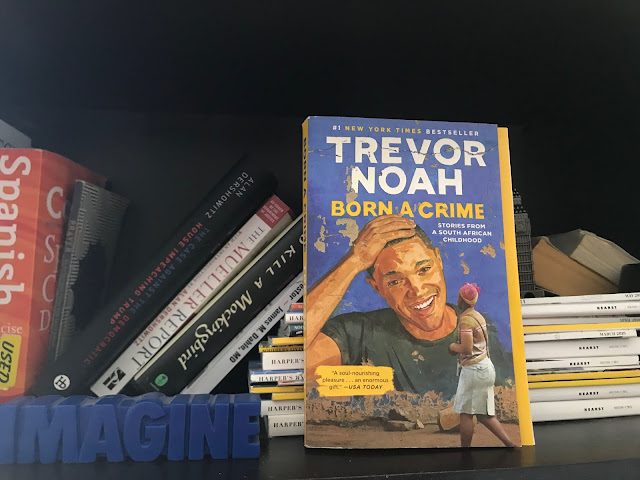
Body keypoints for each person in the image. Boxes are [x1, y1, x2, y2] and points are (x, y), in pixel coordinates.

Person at [306, 214, 510, 398]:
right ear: (377, 288)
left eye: (424, 269)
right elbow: (297, 358)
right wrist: (354, 261)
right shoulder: (356, 335)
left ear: (438, 260)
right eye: (395, 281)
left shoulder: (484, 331)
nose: (417, 290)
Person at [448, 282, 516, 447]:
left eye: (459, 297)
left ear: (461, 300)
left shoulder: (466, 320)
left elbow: (467, 348)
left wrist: (453, 347)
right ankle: (509, 444)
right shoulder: (478, 316)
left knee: (466, 414)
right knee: (484, 415)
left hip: (474, 371)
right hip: (484, 367)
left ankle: (465, 451)